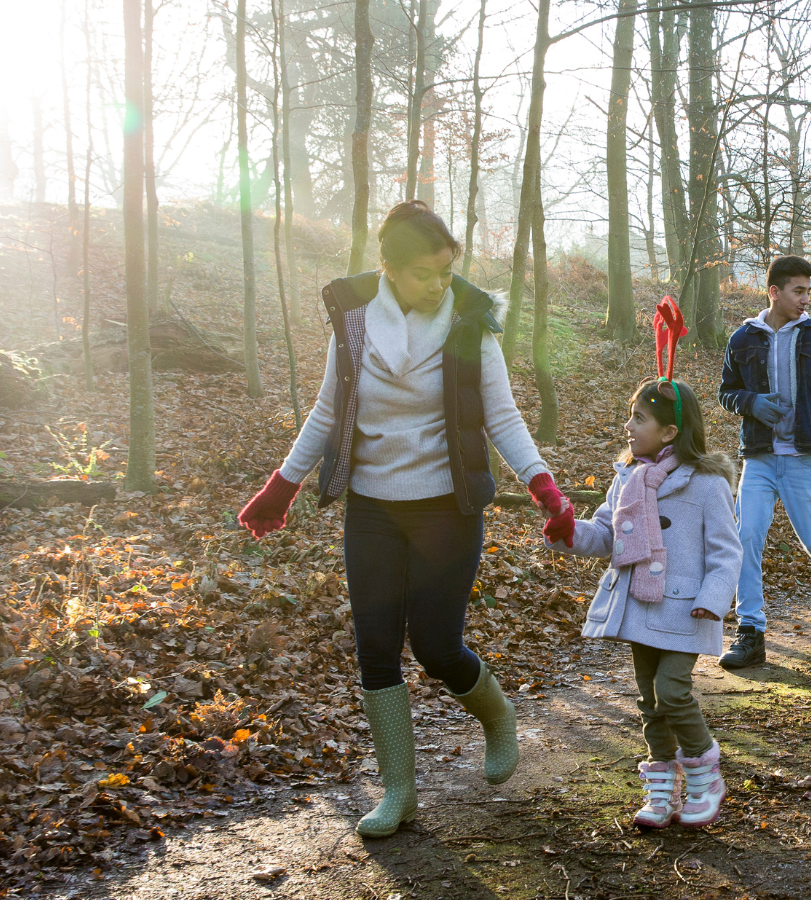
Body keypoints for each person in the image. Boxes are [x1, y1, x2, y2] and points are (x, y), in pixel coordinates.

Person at [236, 200, 575, 838]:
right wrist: (281, 485)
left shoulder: (471, 324)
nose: (440, 284)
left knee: (437, 645)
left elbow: (501, 418)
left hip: (447, 506)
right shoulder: (355, 325)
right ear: (389, 268)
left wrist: (544, 485)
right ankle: (399, 792)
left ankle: (497, 718)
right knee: (376, 647)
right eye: (425, 273)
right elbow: (326, 414)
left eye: (447, 271)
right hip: (372, 506)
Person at [546, 374, 741, 830]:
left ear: (670, 432)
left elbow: (728, 550)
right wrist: (567, 530)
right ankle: (661, 790)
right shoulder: (628, 479)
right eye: (630, 415)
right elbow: (607, 536)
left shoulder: (707, 483)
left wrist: (714, 600)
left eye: (640, 418)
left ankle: (704, 777)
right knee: (650, 703)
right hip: (639, 605)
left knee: (672, 691)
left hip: (686, 608)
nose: (628, 426)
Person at [717, 255, 811, 669]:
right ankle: (751, 631)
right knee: (745, 538)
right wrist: (752, 403)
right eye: (798, 291)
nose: (805, 300)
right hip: (760, 459)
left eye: (808, 292)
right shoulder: (743, 338)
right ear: (774, 292)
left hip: (804, 459)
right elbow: (725, 393)